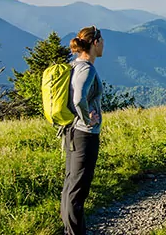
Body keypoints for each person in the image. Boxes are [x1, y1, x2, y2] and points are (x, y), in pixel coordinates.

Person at [60, 26, 104, 235]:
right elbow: (78, 99)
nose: (104, 44)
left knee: (71, 185)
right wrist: (87, 119)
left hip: (73, 134)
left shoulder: (75, 65)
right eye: (102, 40)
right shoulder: (87, 68)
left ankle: (72, 230)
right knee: (77, 190)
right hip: (84, 136)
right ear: (95, 43)